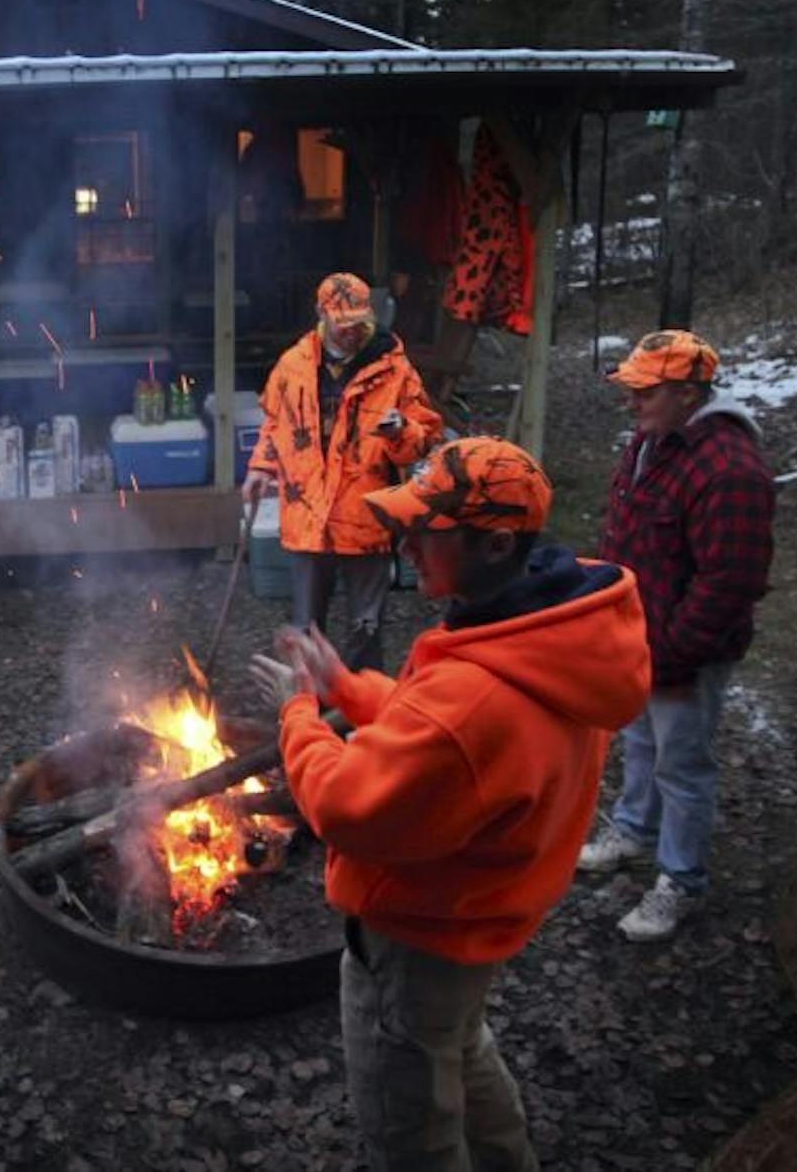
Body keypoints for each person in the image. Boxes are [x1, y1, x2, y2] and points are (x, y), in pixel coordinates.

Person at [252, 436, 651, 1172]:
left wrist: (300, 714)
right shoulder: (556, 636)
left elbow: (347, 804)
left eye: (423, 530)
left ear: (496, 543)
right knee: (460, 1051)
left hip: (418, 938)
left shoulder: (474, 696)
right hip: (482, 918)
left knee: (412, 1126)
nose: (403, 543)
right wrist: (349, 687)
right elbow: (440, 737)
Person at [576, 330, 775, 943]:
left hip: (684, 653)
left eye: (646, 390)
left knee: (683, 767)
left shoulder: (731, 469)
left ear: (689, 394)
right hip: (639, 639)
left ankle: (680, 881)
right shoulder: (651, 442)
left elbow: (730, 582)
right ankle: (633, 831)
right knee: (639, 742)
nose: (632, 402)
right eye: (632, 389)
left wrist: (674, 653)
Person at [243, 272, 443, 672]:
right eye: (343, 323)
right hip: (308, 517)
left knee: (365, 628)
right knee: (306, 627)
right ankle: (307, 712)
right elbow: (274, 424)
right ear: (322, 314)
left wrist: (402, 431)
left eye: (360, 322)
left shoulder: (395, 369)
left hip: (366, 518)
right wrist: (261, 468)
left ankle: (360, 718)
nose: (353, 331)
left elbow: (424, 439)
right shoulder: (293, 365)